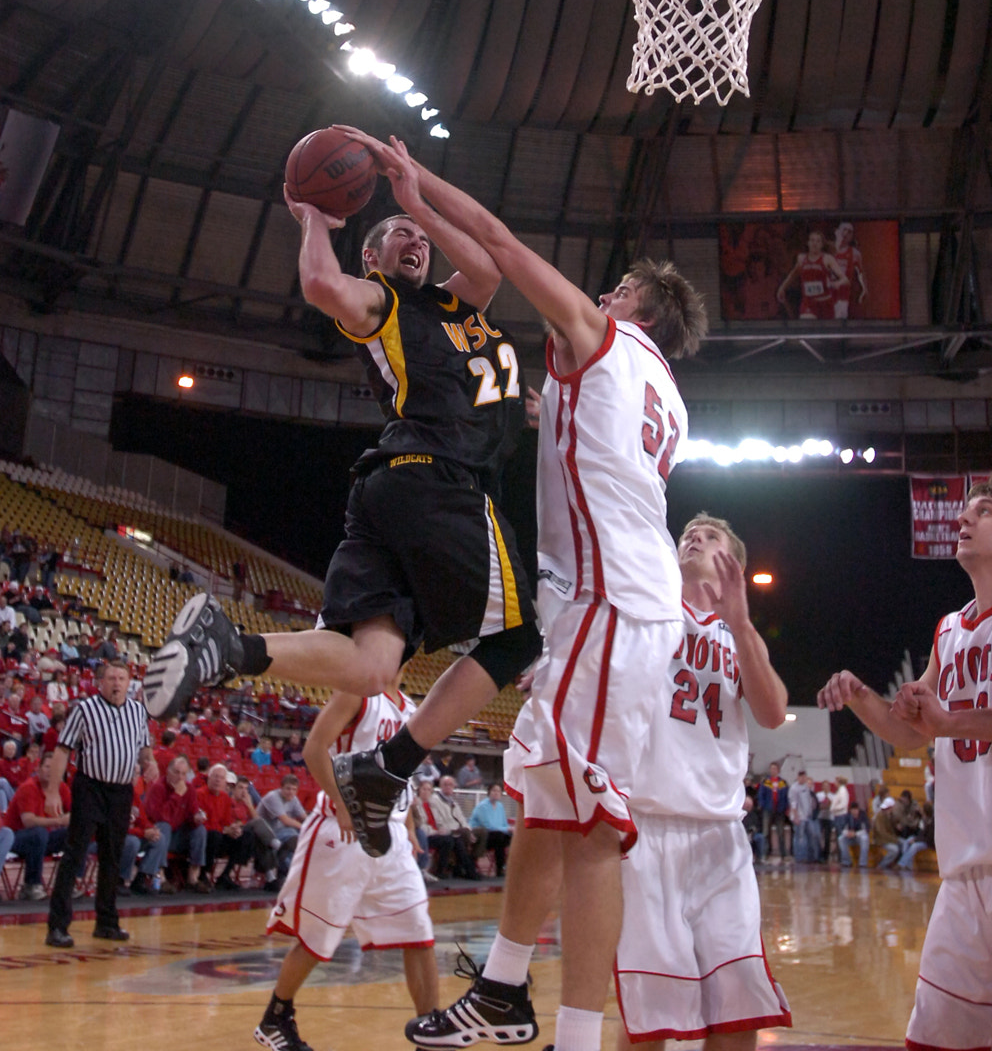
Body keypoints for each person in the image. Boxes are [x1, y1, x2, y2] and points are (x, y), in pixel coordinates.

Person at [362, 134, 706, 1051]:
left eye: (619, 289)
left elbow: (504, 250)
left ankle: (578, 1038)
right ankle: (507, 992)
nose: (601, 295)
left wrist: (415, 186)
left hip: (610, 606)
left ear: (638, 309)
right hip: (609, 608)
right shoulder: (660, 389)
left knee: (591, 827)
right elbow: (577, 438)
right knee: (545, 801)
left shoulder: (605, 338)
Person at [142, 193, 542, 858]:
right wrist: (314, 223)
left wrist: (419, 206)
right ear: (371, 256)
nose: (415, 240)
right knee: (517, 640)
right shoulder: (383, 303)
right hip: (440, 482)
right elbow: (321, 284)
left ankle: (227, 646)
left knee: (371, 665)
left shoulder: (456, 301)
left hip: (387, 490)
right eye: (397, 235)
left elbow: (489, 269)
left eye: (421, 238)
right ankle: (388, 767)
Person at [818, 478, 992, 1049]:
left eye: (983, 511)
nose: (964, 519)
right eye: (963, 512)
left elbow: (942, 724)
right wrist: (862, 695)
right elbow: (910, 732)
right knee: (936, 1037)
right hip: (965, 870)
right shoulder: (949, 629)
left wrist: (948, 722)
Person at [614, 514, 791, 1050]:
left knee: (738, 1011)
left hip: (719, 836)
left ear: (730, 563)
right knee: (651, 1018)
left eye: (711, 535)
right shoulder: (647, 607)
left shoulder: (740, 636)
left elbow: (772, 712)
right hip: (647, 827)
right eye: (689, 531)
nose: (695, 535)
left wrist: (740, 623)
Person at [256, 676, 437, 1051]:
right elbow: (314, 749)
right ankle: (275, 1017)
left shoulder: (411, 709)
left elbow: (401, 780)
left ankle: (430, 1036)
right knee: (316, 939)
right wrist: (342, 803)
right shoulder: (358, 690)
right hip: (343, 831)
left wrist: (410, 830)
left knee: (419, 934)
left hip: (392, 838)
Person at [44, 659, 149, 947]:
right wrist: (53, 791)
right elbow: (63, 750)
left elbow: (144, 747)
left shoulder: (139, 711)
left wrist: (148, 763)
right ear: (100, 682)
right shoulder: (85, 709)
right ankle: (57, 926)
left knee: (113, 857)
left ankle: (106, 921)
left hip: (121, 792)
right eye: (112, 678)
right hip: (90, 787)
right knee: (75, 854)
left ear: (130, 683)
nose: (117, 683)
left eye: (122, 678)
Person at [0, 750, 71, 899]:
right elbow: (28, 821)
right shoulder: (28, 787)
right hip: (15, 838)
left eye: (54, 768)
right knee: (39, 833)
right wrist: (59, 820)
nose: (50, 772)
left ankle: (70, 881)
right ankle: (31, 885)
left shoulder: (62, 787)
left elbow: (75, 813)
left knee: (74, 832)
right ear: (38, 768)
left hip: (43, 837)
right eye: (47, 767)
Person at [142, 755, 210, 892]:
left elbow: (192, 812)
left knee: (200, 830)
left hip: (178, 835)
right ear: (168, 772)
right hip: (156, 835)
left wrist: (196, 818)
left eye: (184, 774)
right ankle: (161, 878)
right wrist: (176, 796)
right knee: (164, 827)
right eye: (176, 772)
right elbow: (159, 817)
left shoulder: (189, 789)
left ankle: (193, 877)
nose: (180, 777)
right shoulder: (158, 788)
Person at [776, 229, 848, 320]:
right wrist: (782, 288)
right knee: (808, 326)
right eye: (812, 240)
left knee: (824, 332)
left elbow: (845, 279)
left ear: (822, 245)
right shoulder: (801, 259)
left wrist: (837, 284)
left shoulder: (827, 259)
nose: (815, 244)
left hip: (825, 303)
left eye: (818, 241)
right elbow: (793, 275)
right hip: (808, 303)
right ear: (808, 243)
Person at [253, 773, 307, 890]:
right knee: (293, 836)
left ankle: (288, 873)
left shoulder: (293, 799)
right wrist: (305, 827)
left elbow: (304, 817)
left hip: (282, 833)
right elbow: (285, 820)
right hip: (265, 833)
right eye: (288, 788)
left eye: (294, 789)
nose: (290, 792)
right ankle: (290, 874)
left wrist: (313, 826)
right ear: (281, 788)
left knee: (296, 838)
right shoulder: (273, 797)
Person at [469, 783, 512, 876]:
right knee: (500, 836)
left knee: (510, 837)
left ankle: (508, 866)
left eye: (498, 791)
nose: (496, 793)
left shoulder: (500, 806)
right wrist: (507, 829)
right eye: (494, 790)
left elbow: (504, 823)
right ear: (489, 792)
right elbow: (489, 826)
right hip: (482, 837)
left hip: (497, 835)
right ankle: (500, 868)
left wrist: (510, 829)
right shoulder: (482, 806)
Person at [830, 221, 867, 319]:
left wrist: (864, 289)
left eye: (849, 232)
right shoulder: (828, 250)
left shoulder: (855, 253)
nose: (846, 234)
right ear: (837, 232)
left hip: (842, 297)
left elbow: (860, 272)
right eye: (844, 230)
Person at [756, 761, 789, 861]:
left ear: (778, 770)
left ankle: (784, 854)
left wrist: (785, 807)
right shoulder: (765, 782)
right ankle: (765, 853)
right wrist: (762, 805)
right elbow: (761, 795)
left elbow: (786, 796)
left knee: (780, 832)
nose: (773, 770)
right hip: (767, 809)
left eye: (774, 769)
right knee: (766, 832)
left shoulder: (783, 783)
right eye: (771, 769)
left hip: (779, 810)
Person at [787, 770, 820, 863]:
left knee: (811, 836)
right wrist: (796, 816)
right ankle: (799, 857)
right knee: (799, 837)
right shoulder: (794, 788)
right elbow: (793, 803)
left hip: (807, 816)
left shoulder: (807, 787)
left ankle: (811, 857)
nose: (803, 779)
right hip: (799, 817)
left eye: (804, 777)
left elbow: (810, 800)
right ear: (798, 777)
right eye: (801, 777)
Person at [836, 803, 870, 868]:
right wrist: (847, 833)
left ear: (858, 810)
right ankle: (846, 861)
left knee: (865, 838)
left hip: (859, 836)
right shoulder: (847, 816)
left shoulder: (863, 816)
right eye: (853, 810)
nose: (854, 812)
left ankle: (863, 863)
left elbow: (866, 830)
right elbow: (842, 829)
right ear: (850, 810)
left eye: (856, 810)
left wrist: (855, 834)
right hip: (850, 837)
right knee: (841, 839)